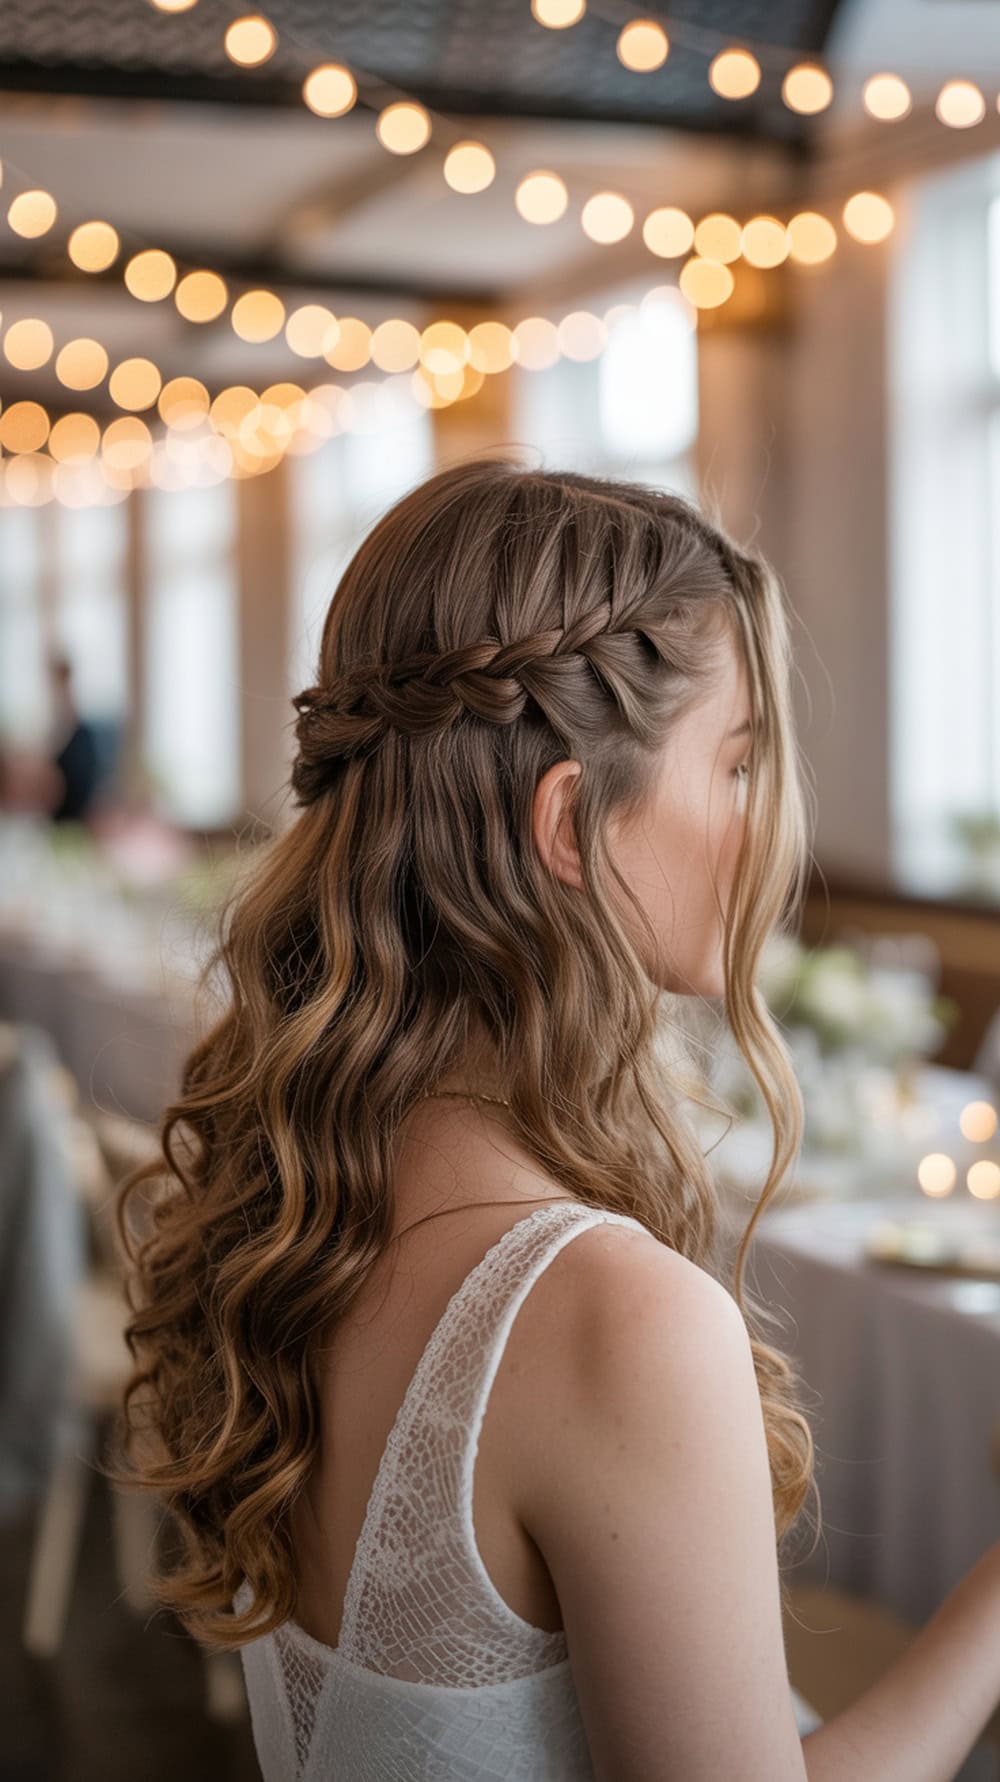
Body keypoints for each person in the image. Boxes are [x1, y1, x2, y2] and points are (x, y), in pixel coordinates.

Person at [107, 457, 1000, 1780]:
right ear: (573, 822)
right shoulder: (610, 1316)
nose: (770, 829)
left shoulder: (304, 1199)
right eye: (739, 762)